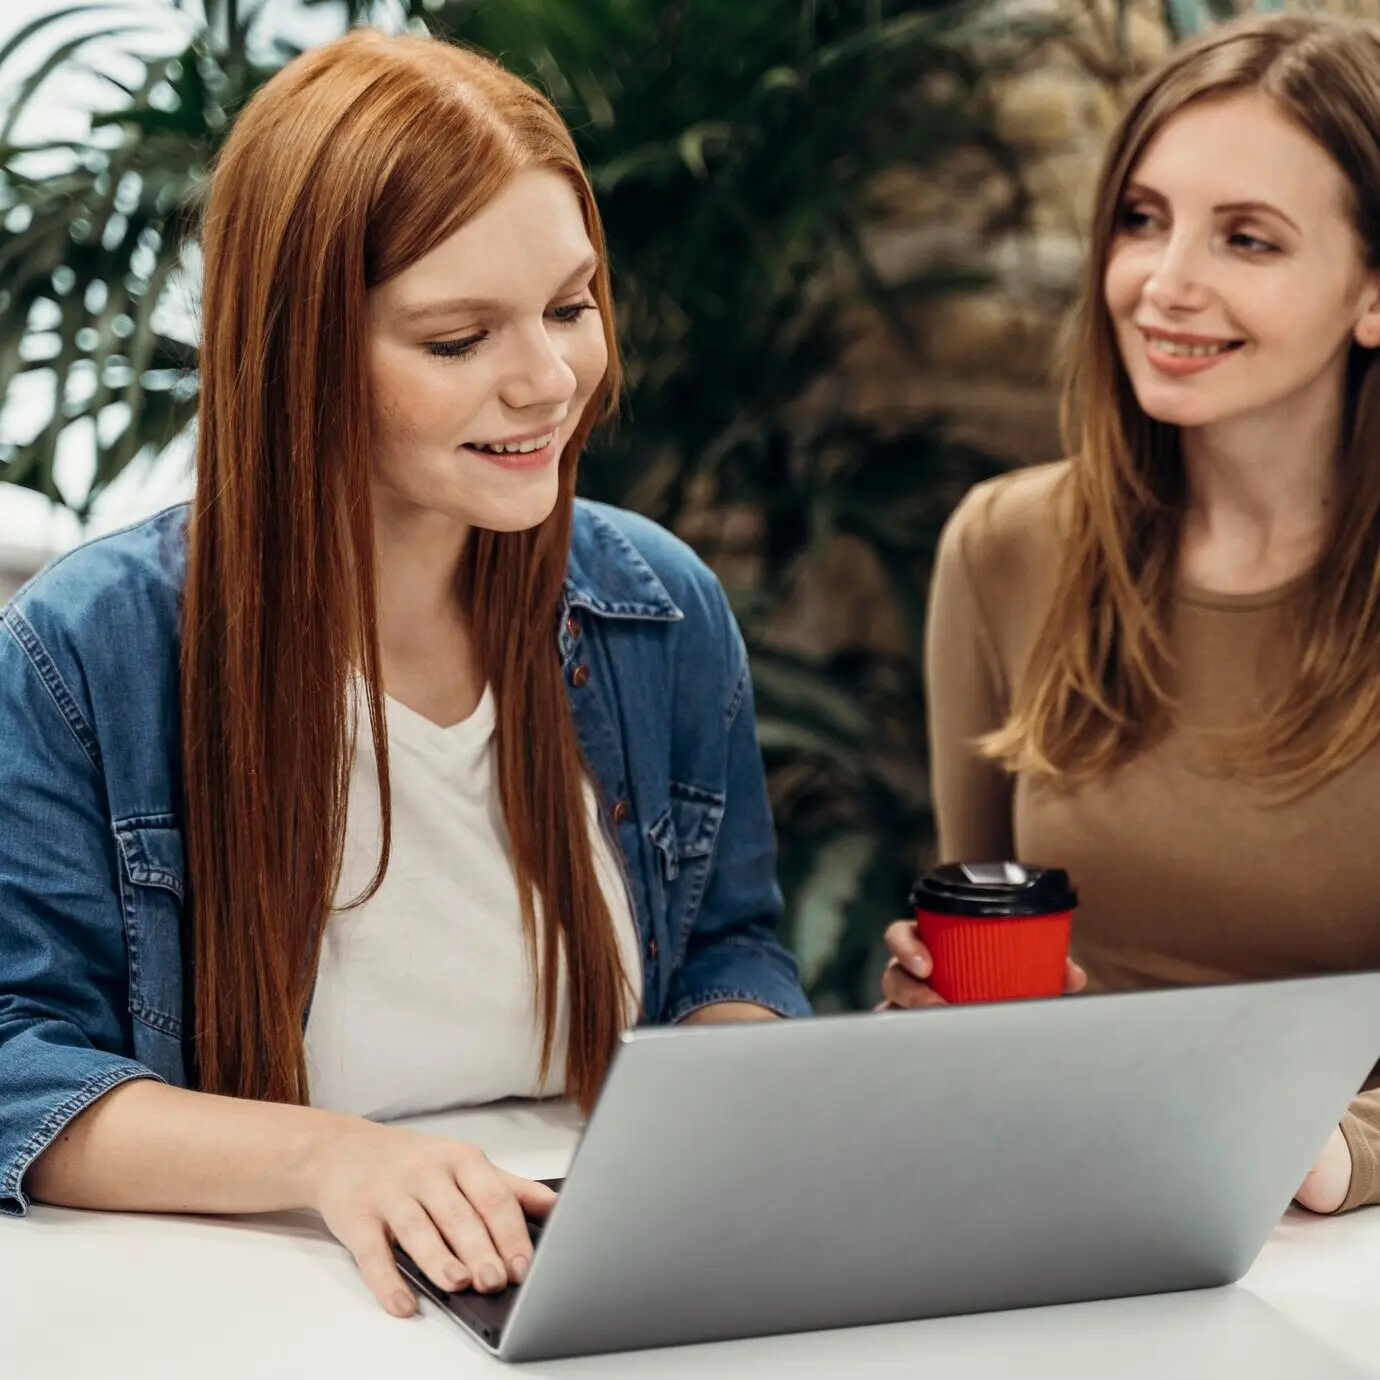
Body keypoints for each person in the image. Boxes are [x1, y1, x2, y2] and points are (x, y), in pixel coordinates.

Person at [0, 28, 808, 1317]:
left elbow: (728, 951)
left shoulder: (656, 611)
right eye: (455, 340)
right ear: (305, 351)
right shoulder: (85, 654)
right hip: (250, 1304)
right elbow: (17, 1069)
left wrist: (714, 1110)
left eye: (571, 306)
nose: (549, 382)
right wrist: (335, 1160)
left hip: (602, 1293)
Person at [880, 12, 1380, 1216]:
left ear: (1372, 296)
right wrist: (930, 997)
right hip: (1055, 1186)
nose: (1164, 285)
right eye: (1143, 219)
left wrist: (1339, 1149)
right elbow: (976, 913)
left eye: (1248, 239)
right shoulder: (1006, 547)